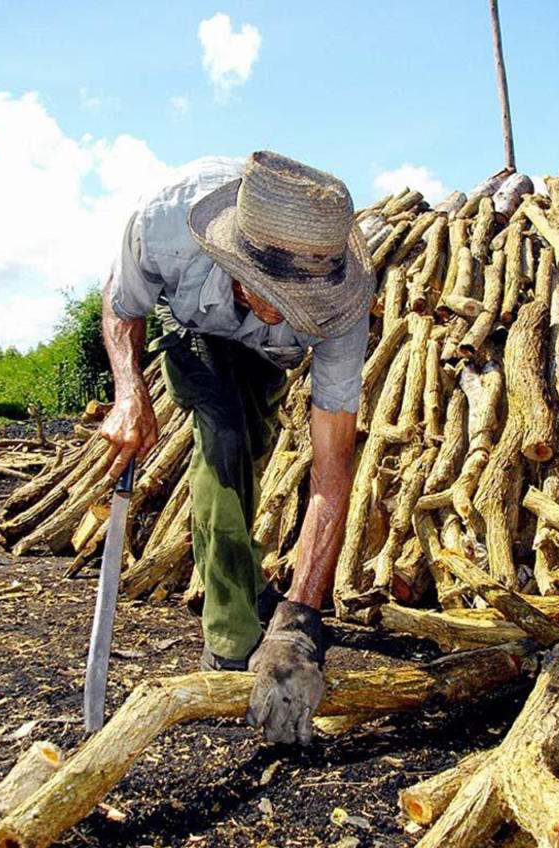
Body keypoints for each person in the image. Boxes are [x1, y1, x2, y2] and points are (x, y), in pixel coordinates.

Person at [100, 151, 375, 745]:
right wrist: (129, 389)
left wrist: (300, 626)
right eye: (265, 288)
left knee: (248, 450)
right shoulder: (166, 222)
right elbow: (122, 306)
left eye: (294, 298)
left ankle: (259, 596)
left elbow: (332, 469)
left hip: (267, 360)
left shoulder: (343, 309)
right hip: (192, 328)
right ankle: (228, 642)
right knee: (222, 438)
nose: (278, 306)